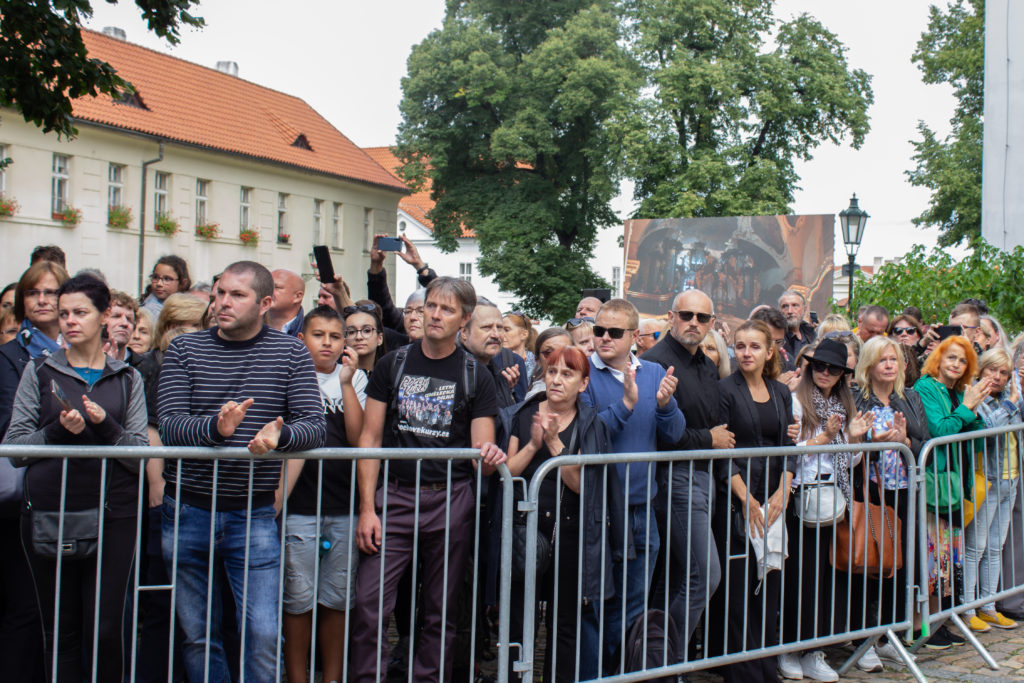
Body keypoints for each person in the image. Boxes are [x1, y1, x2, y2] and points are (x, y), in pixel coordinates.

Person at [156, 260, 327, 683]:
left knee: (264, 633)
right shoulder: (184, 350)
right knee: (198, 635)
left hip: (253, 512)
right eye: (220, 293)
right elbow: (170, 425)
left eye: (237, 295)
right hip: (188, 508)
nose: (222, 302)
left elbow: (314, 425)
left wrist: (280, 438)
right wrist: (216, 430)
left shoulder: (290, 353)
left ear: (265, 303)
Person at [350, 276, 506, 683]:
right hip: (394, 496)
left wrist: (490, 457)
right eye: (430, 306)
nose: (434, 315)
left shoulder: (476, 375)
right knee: (369, 603)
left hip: (451, 497)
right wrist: (366, 508)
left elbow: (482, 452)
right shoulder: (393, 363)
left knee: (441, 609)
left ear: (464, 320)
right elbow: (369, 438)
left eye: (446, 309)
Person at [4, 274, 148, 682]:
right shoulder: (38, 371)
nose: (69, 321)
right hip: (51, 512)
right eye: (64, 313)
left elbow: (141, 457)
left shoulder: (127, 378)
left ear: (104, 315)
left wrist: (106, 427)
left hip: (114, 515)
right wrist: (55, 432)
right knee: (60, 631)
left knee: (105, 630)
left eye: (80, 312)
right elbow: (15, 448)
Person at [504, 345, 622, 681]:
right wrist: (533, 444)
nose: (556, 380)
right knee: (518, 621)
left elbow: (582, 485)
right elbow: (507, 473)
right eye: (552, 371)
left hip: (569, 532)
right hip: (525, 529)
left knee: (565, 623)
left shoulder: (590, 423)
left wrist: (555, 443)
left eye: (567, 374)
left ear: (583, 383)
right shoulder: (525, 414)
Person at [578, 298, 684, 668]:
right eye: (599, 330)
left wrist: (667, 405)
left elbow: (675, 433)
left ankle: (623, 672)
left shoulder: (653, 372)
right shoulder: (585, 373)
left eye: (614, 332)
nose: (604, 337)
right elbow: (587, 435)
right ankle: (595, 674)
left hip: (642, 509)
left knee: (634, 605)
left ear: (634, 336)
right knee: (595, 603)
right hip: (600, 511)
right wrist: (625, 404)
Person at [641, 289, 728, 655]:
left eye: (702, 317)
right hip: (673, 477)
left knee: (678, 576)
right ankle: (668, 659)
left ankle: (654, 658)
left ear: (711, 322)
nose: (694, 323)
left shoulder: (706, 365)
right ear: (671, 317)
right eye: (686, 315)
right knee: (705, 575)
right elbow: (660, 432)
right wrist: (709, 439)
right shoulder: (654, 363)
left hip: (703, 476)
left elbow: (713, 420)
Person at [780, 339, 872, 681]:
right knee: (800, 577)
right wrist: (824, 438)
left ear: (842, 374)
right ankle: (790, 649)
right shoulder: (796, 400)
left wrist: (854, 439)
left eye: (833, 369)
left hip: (833, 497)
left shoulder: (842, 404)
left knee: (824, 578)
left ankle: (812, 650)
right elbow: (788, 450)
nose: (825, 373)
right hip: (801, 494)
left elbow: (849, 461)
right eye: (819, 366)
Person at [283, 306, 367, 683]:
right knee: (298, 598)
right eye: (319, 335)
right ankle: (297, 677)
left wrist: (346, 383)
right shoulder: (289, 375)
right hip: (299, 505)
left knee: (337, 598)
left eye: (336, 336)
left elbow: (357, 437)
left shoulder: (356, 378)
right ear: (302, 339)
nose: (328, 343)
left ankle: (332, 677)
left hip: (343, 504)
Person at [709, 319, 795, 683]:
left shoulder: (781, 392)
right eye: (740, 346)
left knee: (769, 586)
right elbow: (722, 450)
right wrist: (746, 498)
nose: (746, 353)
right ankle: (742, 673)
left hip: (773, 499)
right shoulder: (724, 390)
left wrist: (783, 491)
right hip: (737, 498)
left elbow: (788, 446)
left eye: (755, 346)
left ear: (769, 352)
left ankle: (764, 666)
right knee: (740, 589)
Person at [0, 260, 69, 683]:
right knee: (24, 607)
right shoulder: (8, 357)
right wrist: (60, 426)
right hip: (19, 498)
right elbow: (9, 424)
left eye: (50, 292)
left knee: (63, 609)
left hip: (70, 495)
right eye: (33, 292)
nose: (41, 300)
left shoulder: (84, 354)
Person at [854, 335, 930, 664]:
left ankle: (891, 634)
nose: (889, 365)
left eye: (894, 360)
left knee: (901, 563)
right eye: (882, 360)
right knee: (872, 563)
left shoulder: (909, 397)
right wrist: (874, 442)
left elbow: (925, 442)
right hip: (871, 492)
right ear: (869, 365)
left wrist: (905, 441)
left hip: (906, 492)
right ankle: (864, 638)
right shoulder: (857, 398)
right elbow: (850, 444)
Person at [914, 335, 993, 648]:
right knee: (933, 557)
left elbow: (977, 434)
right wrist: (968, 408)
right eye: (951, 358)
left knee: (947, 556)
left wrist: (971, 408)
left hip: (957, 483)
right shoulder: (926, 387)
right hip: (936, 483)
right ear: (938, 358)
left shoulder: (960, 391)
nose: (957, 365)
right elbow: (942, 429)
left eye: (963, 360)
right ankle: (923, 626)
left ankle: (938, 622)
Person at [963, 348, 1023, 633]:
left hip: (1010, 478)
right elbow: (986, 428)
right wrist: (1011, 404)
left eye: (1004, 373)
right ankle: (968, 607)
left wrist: (1016, 393)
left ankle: (988, 605)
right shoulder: (977, 397)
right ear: (981, 370)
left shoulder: (1009, 397)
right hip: (986, 479)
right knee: (975, 547)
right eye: (992, 370)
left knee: (996, 545)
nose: (997, 377)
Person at [460, 299, 527, 411]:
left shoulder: (504, 369)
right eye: (486, 327)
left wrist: (508, 390)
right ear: (464, 332)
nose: (496, 334)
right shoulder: (451, 371)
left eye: (500, 328)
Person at [366, 234, 437, 340]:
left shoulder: (452, 345)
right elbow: (383, 307)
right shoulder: (400, 341)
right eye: (408, 311)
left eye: (421, 311)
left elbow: (446, 296)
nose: (413, 317)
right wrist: (376, 265)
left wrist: (420, 266)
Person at [342, 302, 387, 377]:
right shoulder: (336, 376)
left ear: (380, 338)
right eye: (351, 332)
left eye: (366, 331)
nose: (358, 337)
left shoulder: (391, 376)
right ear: (344, 341)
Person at [527, 327, 572, 397]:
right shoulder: (535, 397)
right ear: (538, 360)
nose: (557, 358)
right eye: (549, 352)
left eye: (565, 351)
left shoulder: (583, 386)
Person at [780, 289, 816, 360]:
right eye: (785, 306)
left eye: (795, 305)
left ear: (804, 310)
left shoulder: (811, 333)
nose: (790, 311)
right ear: (780, 311)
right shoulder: (778, 338)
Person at [269, 269, 306, 336]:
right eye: (265, 286)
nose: (267, 290)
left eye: (276, 287)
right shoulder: (250, 329)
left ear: (297, 296)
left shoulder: (310, 332)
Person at [503, 311, 537, 378]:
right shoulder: (494, 359)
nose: (501, 334)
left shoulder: (536, 364)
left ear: (524, 334)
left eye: (506, 330)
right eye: (500, 329)